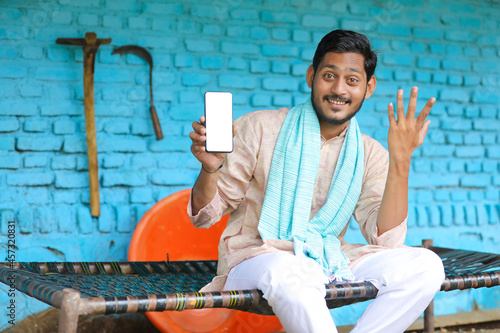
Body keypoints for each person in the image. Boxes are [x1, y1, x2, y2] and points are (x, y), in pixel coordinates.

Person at [188, 29, 445, 333]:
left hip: (328, 259)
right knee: (296, 269)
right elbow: (205, 216)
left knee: (426, 266)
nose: (339, 89)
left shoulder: (370, 152)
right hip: (257, 258)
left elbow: (386, 241)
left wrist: (401, 162)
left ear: (368, 87)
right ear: (311, 76)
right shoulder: (259, 128)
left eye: (352, 80)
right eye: (328, 75)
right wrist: (210, 169)